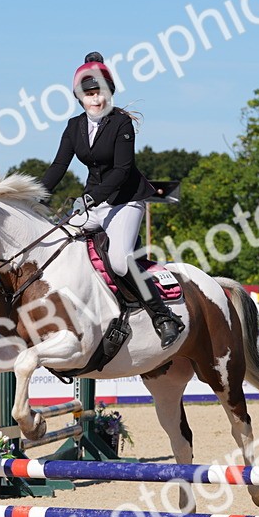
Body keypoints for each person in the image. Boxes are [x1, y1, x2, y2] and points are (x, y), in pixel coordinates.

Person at [41, 51, 184, 348]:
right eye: (90, 94)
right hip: (94, 203)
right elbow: (58, 167)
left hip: (126, 201)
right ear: (80, 97)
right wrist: (35, 197)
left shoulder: (121, 124)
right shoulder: (73, 127)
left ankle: (162, 316)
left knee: (119, 261)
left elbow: (122, 171)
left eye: (101, 93)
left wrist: (91, 197)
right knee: (56, 241)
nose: (97, 100)